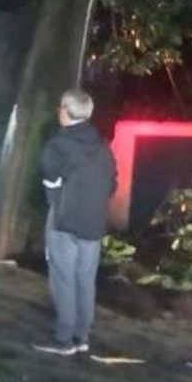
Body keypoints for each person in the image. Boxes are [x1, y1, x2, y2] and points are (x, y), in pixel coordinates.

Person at [33, 88, 116, 356]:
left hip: (64, 220)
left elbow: (49, 178)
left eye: (60, 107)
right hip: (94, 223)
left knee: (63, 278)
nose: (58, 112)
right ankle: (82, 336)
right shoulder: (102, 146)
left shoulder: (59, 144)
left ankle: (63, 339)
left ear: (67, 112)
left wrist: (57, 200)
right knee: (85, 279)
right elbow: (112, 184)